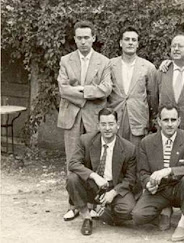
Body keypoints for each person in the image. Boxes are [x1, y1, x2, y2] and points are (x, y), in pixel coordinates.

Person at [57, 20, 112, 221]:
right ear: (75, 38)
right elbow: (63, 89)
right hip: (71, 118)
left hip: (92, 118)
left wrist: (81, 90)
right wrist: (90, 92)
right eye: (79, 37)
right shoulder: (66, 60)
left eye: (86, 37)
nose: (82, 41)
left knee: (94, 160)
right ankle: (73, 205)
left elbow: (106, 89)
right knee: (72, 160)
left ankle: (94, 203)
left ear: (93, 38)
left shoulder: (104, 62)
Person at [132, 104, 184, 242]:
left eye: (173, 120)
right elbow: (143, 172)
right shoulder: (146, 142)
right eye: (165, 120)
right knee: (138, 216)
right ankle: (166, 209)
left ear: (179, 121)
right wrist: (148, 184)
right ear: (158, 121)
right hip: (159, 190)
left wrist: (169, 170)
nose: (170, 124)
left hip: (180, 188)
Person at [66, 108, 140, 235]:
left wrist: (113, 192)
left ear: (117, 125)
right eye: (103, 124)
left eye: (111, 124)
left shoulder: (129, 148)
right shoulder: (86, 140)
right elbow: (73, 163)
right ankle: (86, 216)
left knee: (128, 211)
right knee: (72, 178)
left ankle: (99, 208)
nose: (107, 128)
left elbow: (130, 179)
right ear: (98, 126)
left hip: (113, 186)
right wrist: (94, 176)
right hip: (93, 184)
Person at [107, 26, 158, 147]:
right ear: (120, 43)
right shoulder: (110, 65)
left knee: (136, 156)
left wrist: (150, 119)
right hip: (116, 117)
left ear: (137, 44)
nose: (130, 42)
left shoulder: (148, 67)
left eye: (133, 40)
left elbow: (153, 97)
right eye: (127, 39)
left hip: (138, 119)